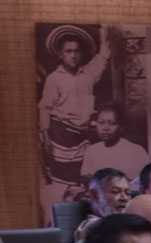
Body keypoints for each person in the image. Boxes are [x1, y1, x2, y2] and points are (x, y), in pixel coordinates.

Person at [37, 25, 110, 189]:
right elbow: (45, 108)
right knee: (62, 180)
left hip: (83, 136)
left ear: (82, 53)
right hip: (61, 135)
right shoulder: (54, 78)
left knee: (83, 178)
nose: (73, 55)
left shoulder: (88, 74)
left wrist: (104, 30)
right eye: (68, 51)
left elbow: (104, 55)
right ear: (61, 54)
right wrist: (46, 136)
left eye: (76, 51)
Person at [85, 104, 149, 180]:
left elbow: (143, 184)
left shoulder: (136, 151)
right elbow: (86, 180)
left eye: (112, 123)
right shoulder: (91, 151)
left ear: (121, 127)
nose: (105, 128)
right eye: (101, 123)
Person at [75, 167, 133, 241]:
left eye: (127, 193)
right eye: (115, 192)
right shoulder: (90, 229)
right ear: (95, 195)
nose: (125, 198)